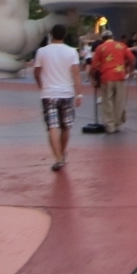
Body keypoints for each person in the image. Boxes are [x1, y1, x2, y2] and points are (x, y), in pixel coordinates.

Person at [34, 24, 83, 171]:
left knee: (52, 126)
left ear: (51, 34)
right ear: (65, 35)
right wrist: (79, 93)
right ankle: (62, 151)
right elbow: (76, 73)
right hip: (66, 92)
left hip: (48, 93)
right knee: (66, 126)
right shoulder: (71, 52)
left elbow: (37, 72)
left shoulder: (42, 52)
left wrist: (40, 83)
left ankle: (58, 158)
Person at [91, 30, 136, 134]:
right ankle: (118, 124)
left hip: (106, 77)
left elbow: (94, 66)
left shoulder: (100, 48)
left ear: (103, 39)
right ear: (113, 37)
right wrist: (129, 69)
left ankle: (110, 126)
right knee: (119, 100)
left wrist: (93, 78)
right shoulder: (122, 46)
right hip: (120, 75)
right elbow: (132, 59)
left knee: (107, 101)